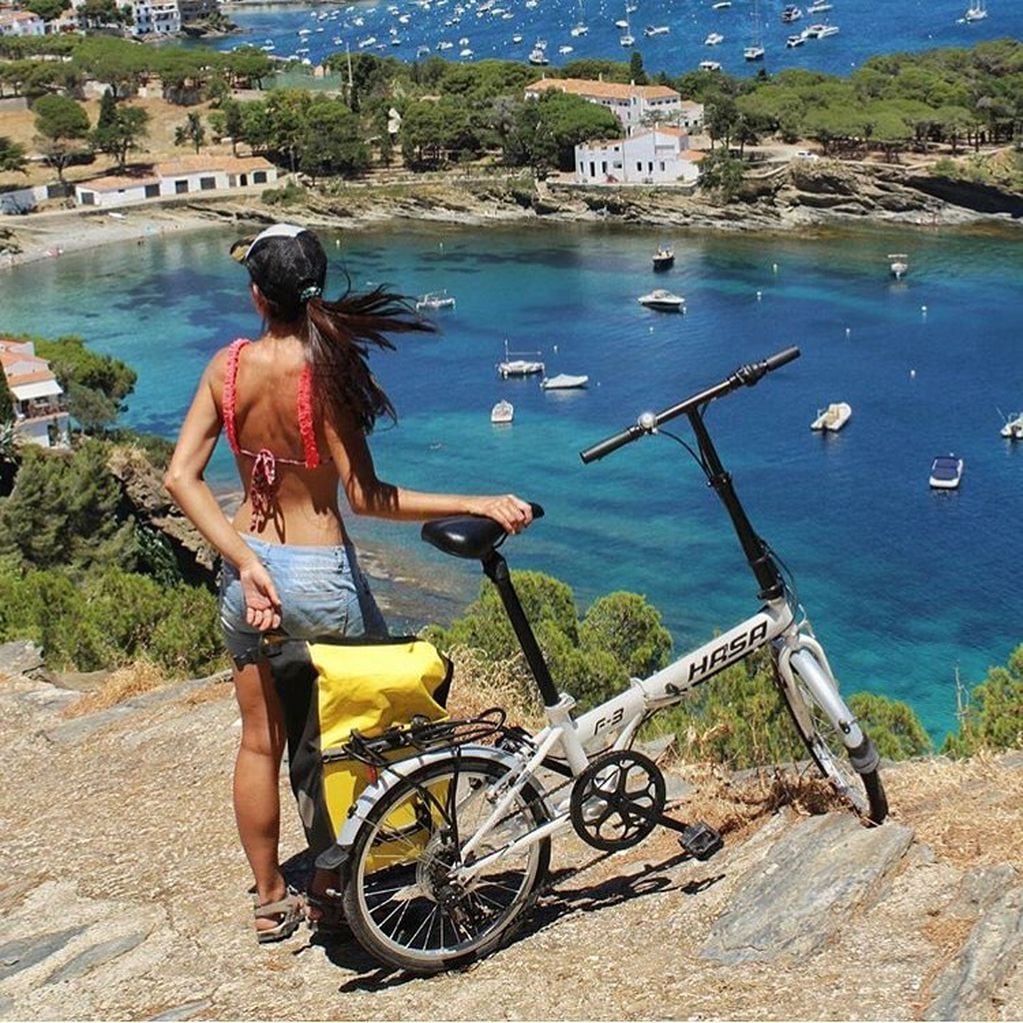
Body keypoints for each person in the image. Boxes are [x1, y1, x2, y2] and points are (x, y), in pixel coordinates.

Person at [164, 223, 533, 944]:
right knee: (358, 738)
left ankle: (272, 897)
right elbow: (366, 498)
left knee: (262, 742)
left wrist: (243, 561)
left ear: (255, 296)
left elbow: (181, 477)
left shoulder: (226, 366)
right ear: (315, 291)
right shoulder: (323, 373)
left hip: (252, 573)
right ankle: (337, 889)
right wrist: (474, 500)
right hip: (319, 577)